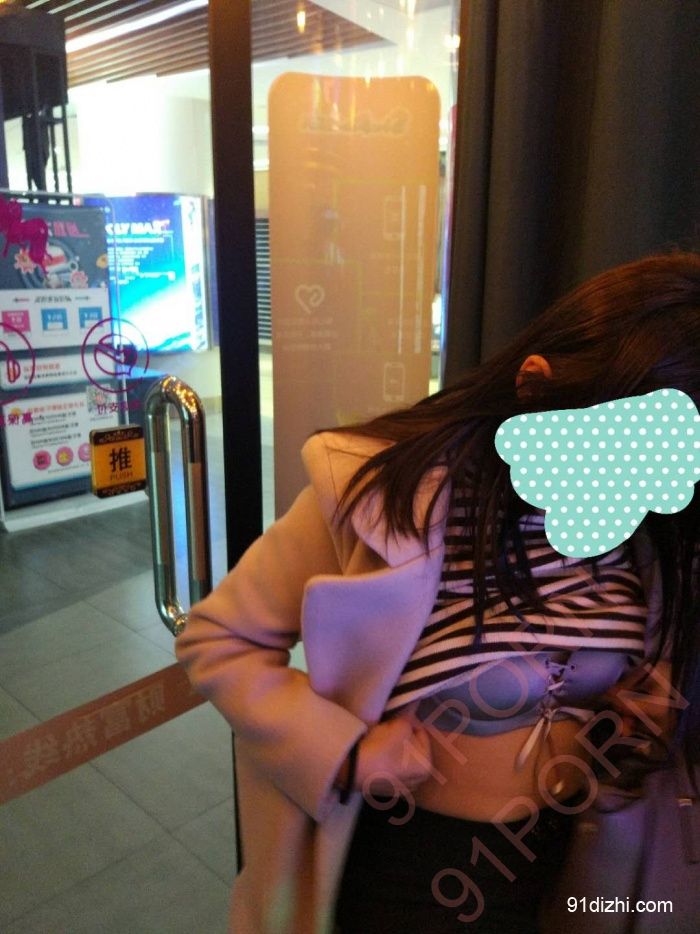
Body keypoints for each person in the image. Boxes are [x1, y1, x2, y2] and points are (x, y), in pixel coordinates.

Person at [175, 251, 700, 934]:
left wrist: (637, 707)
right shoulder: (380, 498)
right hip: (409, 869)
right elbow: (218, 639)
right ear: (535, 388)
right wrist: (343, 752)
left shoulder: (649, 538)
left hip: (572, 865)